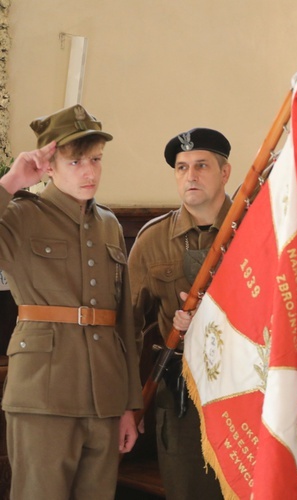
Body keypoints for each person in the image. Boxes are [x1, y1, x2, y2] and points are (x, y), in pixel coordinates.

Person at [0, 105, 142, 498]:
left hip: (105, 400)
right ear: (47, 164)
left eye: (95, 159)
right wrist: (11, 181)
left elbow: (124, 322)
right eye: (75, 160)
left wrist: (128, 404)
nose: (89, 171)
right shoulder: (20, 215)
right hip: (44, 394)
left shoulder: (109, 225)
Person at [128, 128, 231, 499]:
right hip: (181, 392)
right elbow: (128, 328)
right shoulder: (153, 240)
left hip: (247, 389)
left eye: (201, 165)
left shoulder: (255, 231)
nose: (190, 175)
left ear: (225, 172)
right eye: (181, 167)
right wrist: (128, 402)